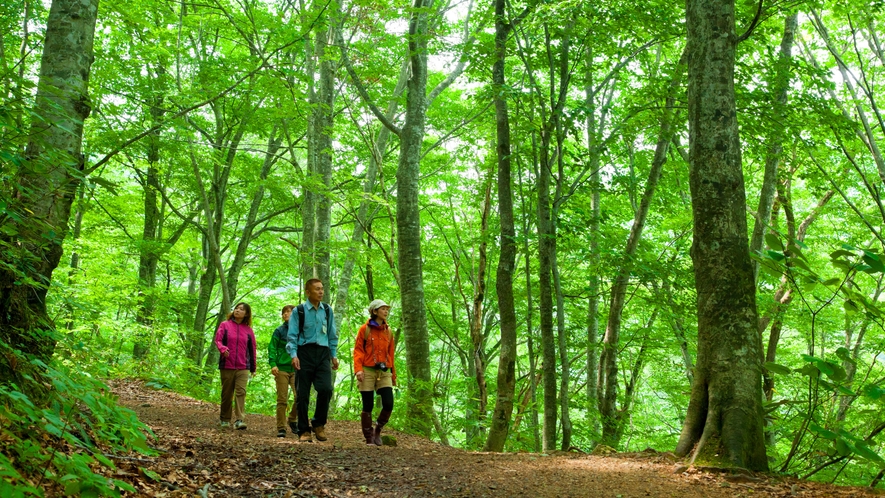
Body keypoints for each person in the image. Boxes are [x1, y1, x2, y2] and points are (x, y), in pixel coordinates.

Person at [287, 278, 339, 442]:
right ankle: (304, 430)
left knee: (326, 389)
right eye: (317, 289)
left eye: (322, 289)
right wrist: (294, 355)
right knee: (302, 394)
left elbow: (332, 334)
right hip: (304, 353)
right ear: (308, 292)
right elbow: (292, 335)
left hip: (323, 353)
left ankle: (318, 423)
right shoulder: (300, 311)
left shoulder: (327, 310)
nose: (321, 292)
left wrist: (334, 354)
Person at [353, 299, 396, 446]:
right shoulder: (364, 329)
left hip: (384, 371)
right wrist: (358, 370)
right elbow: (358, 350)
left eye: (387, 309)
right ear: (375, 311)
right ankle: (368, 437)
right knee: (368, 404)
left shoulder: (389, 331)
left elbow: (391, 354)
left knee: (389, 403)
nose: (386, 312)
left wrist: (393, 375)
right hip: (367, 369)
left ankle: (378, 428)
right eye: (383, 309)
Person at [214, 302, 256, 430]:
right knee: (227, 393)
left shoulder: (248, 330)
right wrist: (222, 349)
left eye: (241, 309)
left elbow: (252, 349)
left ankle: (239, 420)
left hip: (243, 366)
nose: (237, 311)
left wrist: (253, 367)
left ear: (246, 313)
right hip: (227, 365)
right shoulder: (225, 325)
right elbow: (218, 340)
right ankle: (225, 419)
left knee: (241, 392)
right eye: (236, 308)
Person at [268, 304, 298, 437]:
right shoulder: (279, 331)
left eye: (289, 312)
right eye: (284, 312)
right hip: (281, 369)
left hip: (298, 369)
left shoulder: (301, 330)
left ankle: (292, 419)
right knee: (282, 399)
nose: (286, 314)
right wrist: (273, 364)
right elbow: (272, 348)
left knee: (301, 396)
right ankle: (281, 428)